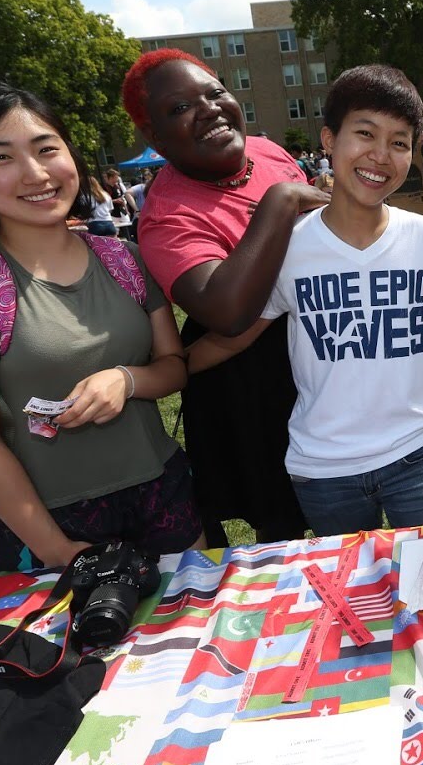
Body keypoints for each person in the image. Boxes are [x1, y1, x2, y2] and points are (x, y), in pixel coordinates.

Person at [0, 79, 200, 571]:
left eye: (47, 149)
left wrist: (126, 379)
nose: (35, 173)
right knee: (74, 649)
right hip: (53, 522)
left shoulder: (125, 259)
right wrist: (55, 549)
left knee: (188, 634)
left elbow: (173, 367)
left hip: (165, 494)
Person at [186, 65, 423, 535]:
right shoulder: (290, 246)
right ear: (329, 139)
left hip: (419, 457)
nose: (380, 156)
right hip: (326, 472)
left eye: (400, 142)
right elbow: (236, 336)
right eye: (364, 134)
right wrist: (154, 374)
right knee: (350, 598)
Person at [123, 48, 327, 546]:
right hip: (251, 379)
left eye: (215, 93)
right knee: (281, 519)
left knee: (340, 494)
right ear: (153, 136)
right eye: (179, 109)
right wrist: (281, 201)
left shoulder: (269, 152)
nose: (209, 108)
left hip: (320, 342)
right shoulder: (167, 217)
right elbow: (228, 311)